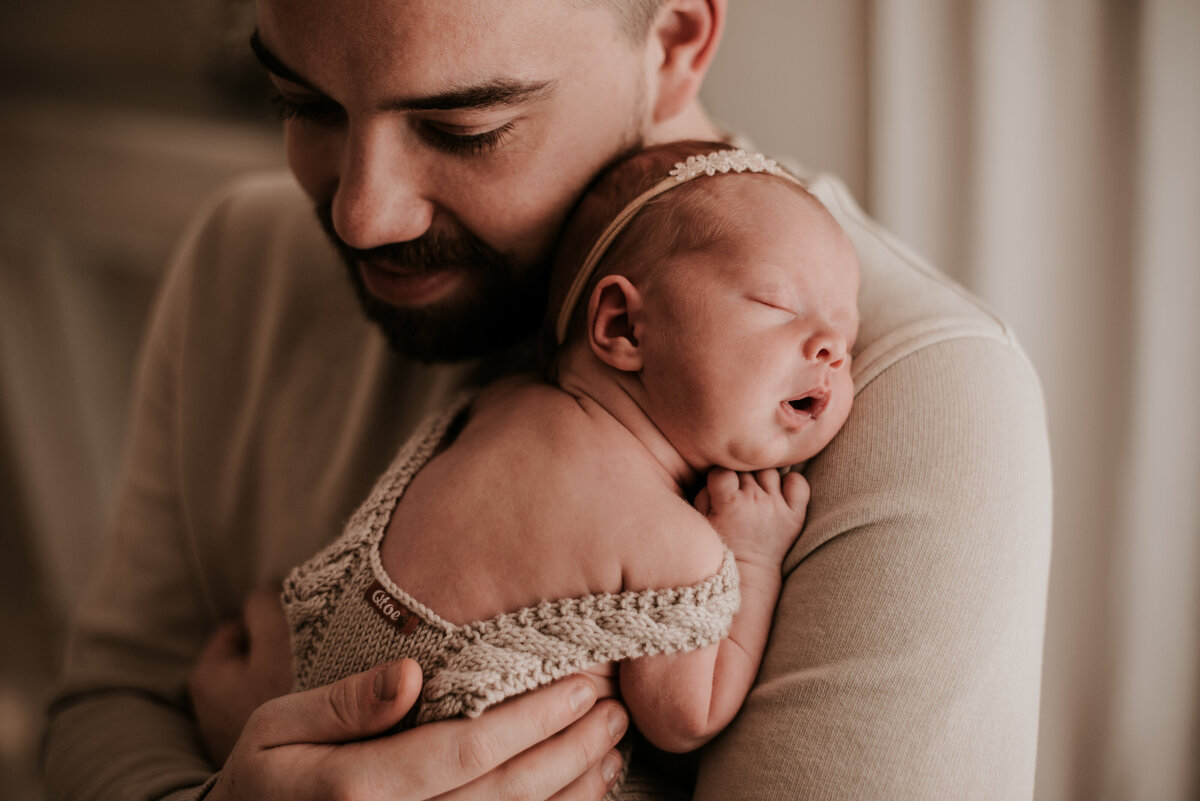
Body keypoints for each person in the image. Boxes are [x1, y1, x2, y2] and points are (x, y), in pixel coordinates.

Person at [44, 2, 1052, 800]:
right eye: (305, 105)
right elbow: (107, 707)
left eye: (463, 126)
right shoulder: (243, 258)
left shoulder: (922, 403)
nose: (361, 214)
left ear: (673, 41)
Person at [272, 140, 857, 787]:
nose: (831, 346)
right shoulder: (674, 548)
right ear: (624, 325)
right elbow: (688, 715)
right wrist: (752, 551)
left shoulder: (497, 404)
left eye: (848, 338)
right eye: (778, 305)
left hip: (327, 705)